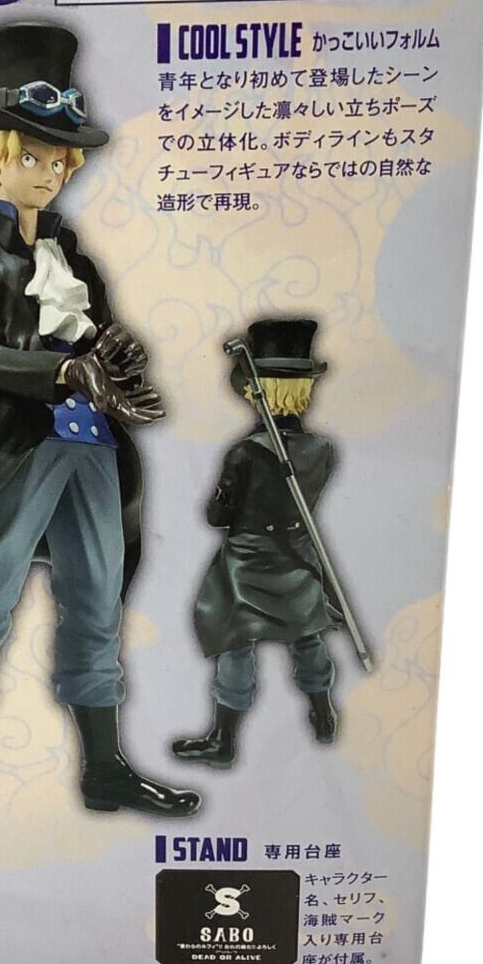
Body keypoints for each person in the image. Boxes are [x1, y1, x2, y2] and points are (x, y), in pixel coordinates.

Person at [0, 22, 200, 841]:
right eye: (33, 154)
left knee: (97, 602)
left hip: (92, 449)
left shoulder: (76, 255)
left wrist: (119, 367)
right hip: (12, 450)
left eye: (61, 159)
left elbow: (105, 337)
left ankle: (103, 768)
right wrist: (67, 372)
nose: (52, 171)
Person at [172, 319, 343, 768]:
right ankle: (324, 714)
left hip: (247, 564)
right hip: (298, 557)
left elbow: (217, 516)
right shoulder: (323, 450)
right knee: (306, 633)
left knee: (234, 637)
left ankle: (223, 739)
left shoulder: (246, 452)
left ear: (258, 390)